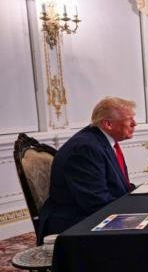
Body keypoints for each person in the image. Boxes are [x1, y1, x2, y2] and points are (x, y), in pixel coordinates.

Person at [38, 97, 137, 240]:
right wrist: (135, 208)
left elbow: (116, 185)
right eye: (129, 119)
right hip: (75, 221)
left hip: (92, 211)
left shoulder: (101, 141)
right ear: (108, 124)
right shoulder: (86, 149)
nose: (134, 123)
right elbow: (96, 202)